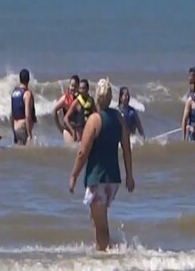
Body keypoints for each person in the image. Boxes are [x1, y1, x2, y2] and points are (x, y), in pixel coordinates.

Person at [68, 78, 135, 252]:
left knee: (100, 223)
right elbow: (127, 149)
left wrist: (73, 175)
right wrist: (129, 175)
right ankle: (102, 249)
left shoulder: (94, 120)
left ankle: (105, 254)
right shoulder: (119, 118)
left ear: (97, 97)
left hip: (98, 178)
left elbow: (82, 152)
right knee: (97, 218)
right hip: (113, 178)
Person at [10, 68, 37, 146]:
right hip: (23, 129)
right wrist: (29, 134)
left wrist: (13, 132)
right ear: (28, 79)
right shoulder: (27, 94)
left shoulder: (14, 93)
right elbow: (27, 115)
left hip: (16, 129)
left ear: (20, 79)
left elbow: (12, 115)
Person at [53, 75, 80, 143]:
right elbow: (55, 110)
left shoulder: (80, 99)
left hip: (77, 129)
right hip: (67, 130)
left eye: (75, 86)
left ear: (78, 87)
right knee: (71, 149)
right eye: (72, 86)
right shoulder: (65, 98)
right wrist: (59, 127)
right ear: (69, 86)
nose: (73, 88)